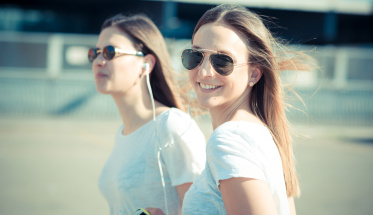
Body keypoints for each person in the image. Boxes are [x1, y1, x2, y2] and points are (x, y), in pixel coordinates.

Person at [180, 4, 314, 215]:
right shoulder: (260, 133)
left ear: (254, 74)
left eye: (222, 60)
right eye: (195, 56)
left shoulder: (229, 139)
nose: (204, 71)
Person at [88, 13, 206, 215]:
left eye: (109, 52)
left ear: (146, 64)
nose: (98, 60)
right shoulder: (123, 132)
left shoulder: (171, 125)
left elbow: (202, 209)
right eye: (95, 53)